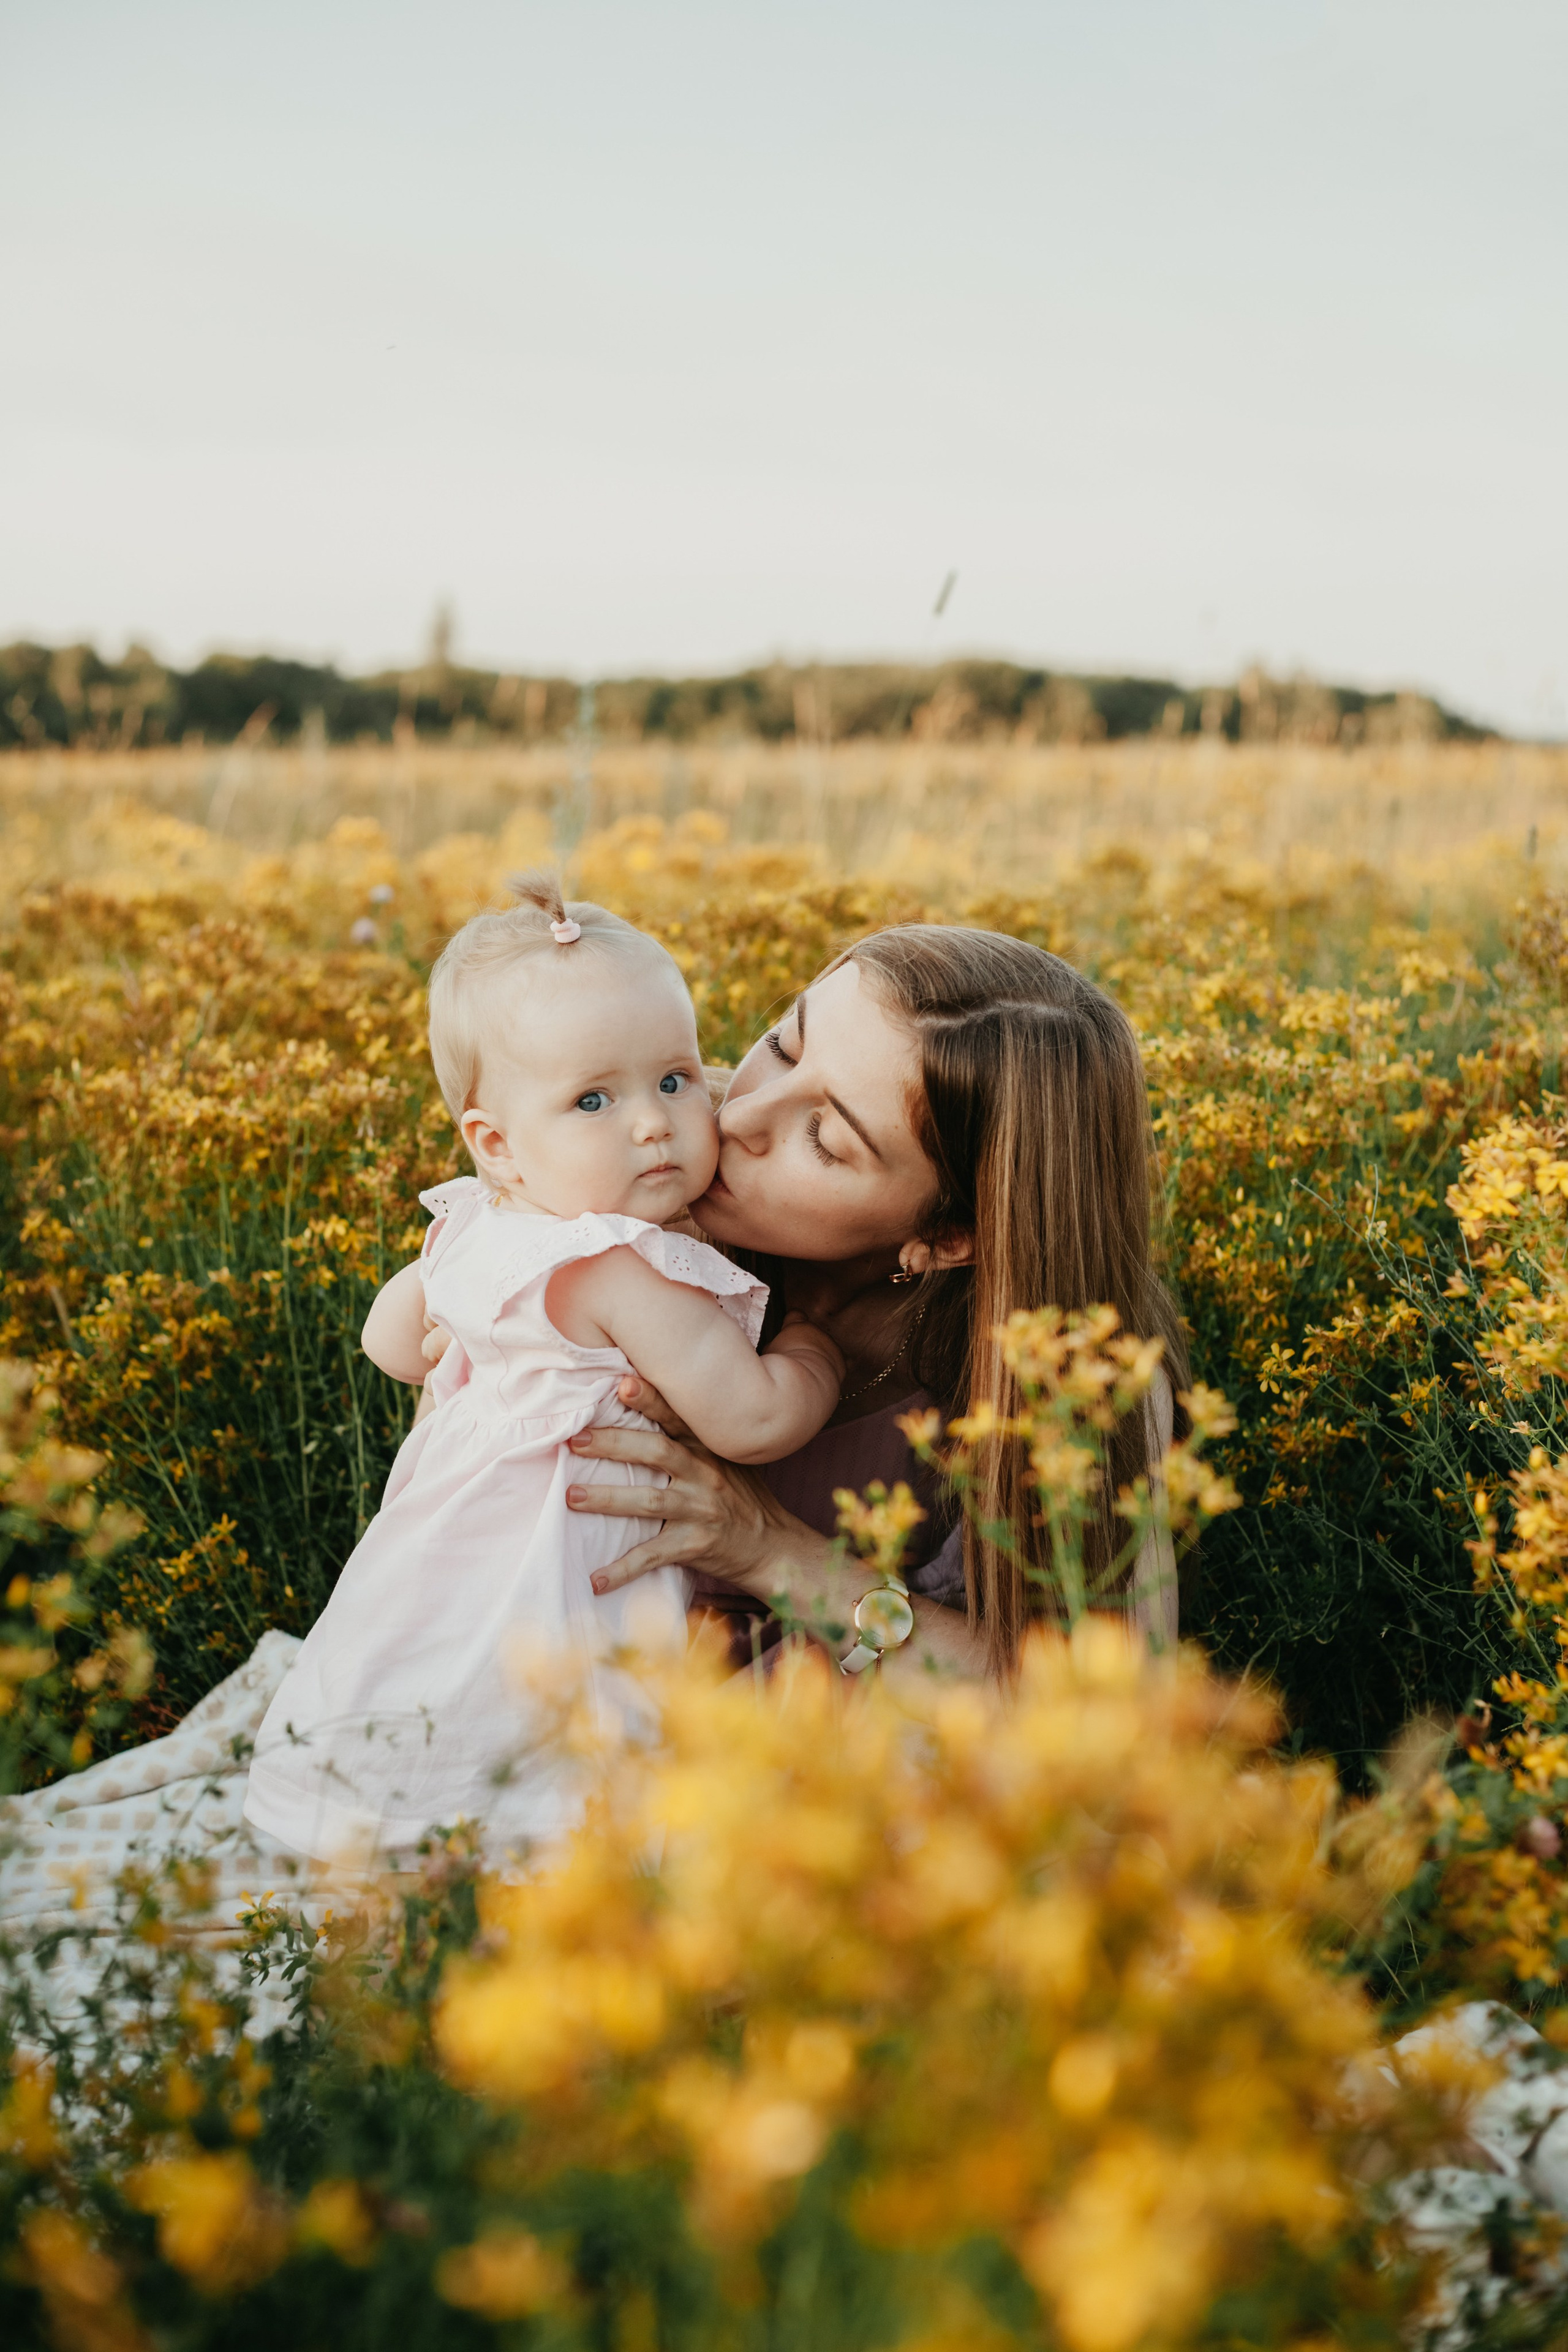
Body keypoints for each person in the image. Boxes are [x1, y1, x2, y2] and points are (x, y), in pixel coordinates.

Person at [243, 876, 843, 1861]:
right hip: (556, 1573)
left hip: (437, 1555)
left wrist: (467, 1341)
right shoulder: (619, 1270)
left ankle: (380, 1815)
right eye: (593, 1100)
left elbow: (389, 1343)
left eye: (677, 1079)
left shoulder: (478, 1225)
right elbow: (754, 1420)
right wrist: (816, 1340)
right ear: (498, 1145)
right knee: (553, 1747)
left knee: (423, 1688)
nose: (652, 1124)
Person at [558, 923, 1188, 1684]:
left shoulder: (1073, 1375)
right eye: (783, 1045)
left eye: (823, 1137)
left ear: (950, 1235)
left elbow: (1102, 1710)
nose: (740, 1117)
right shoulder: (617, 1192)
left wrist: (770, 1549)